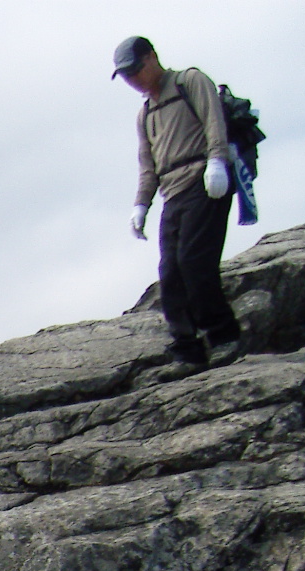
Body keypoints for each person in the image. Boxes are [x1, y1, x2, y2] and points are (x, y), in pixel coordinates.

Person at [116, 36, 247, 372]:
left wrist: (217, 162)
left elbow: (214, 122)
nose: (133, 81)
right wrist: (141, 205)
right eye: (126, 76)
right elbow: (148, 164)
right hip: (172, 194)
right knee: (170, 274)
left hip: (204, 181)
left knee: (194, 262)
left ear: (152, 58)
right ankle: (187, 351)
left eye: (134, 71)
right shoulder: (144, 114)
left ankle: (224, 337)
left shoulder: (190, 81)